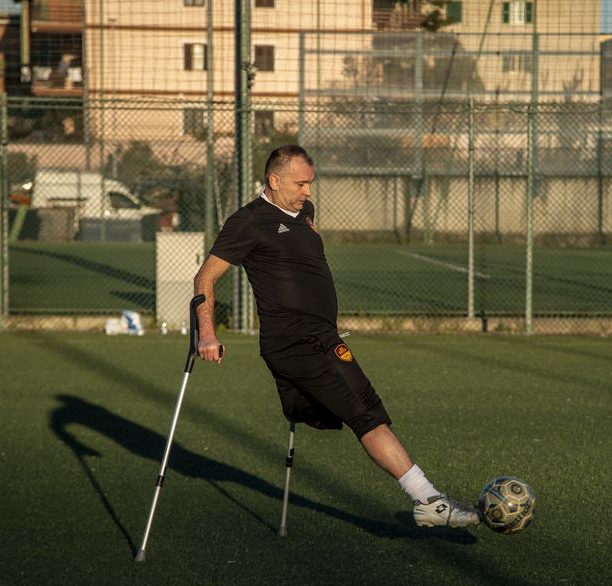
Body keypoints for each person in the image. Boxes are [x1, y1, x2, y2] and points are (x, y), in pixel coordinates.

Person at [193, 144, 479, 529]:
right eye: (300, 183)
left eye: (310, 183)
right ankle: (428, 500)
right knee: (365, 415)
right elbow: (205, 277)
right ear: (274, 181)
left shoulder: (305, 213)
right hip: (295, 341)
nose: (308, 191)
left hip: (323, 336)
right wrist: (207, 334)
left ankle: (426, 497)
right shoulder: (248, 222)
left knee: (361, 409)